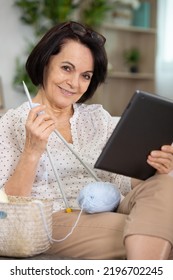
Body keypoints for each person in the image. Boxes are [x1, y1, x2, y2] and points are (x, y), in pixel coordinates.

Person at [1, 21, 173, 260]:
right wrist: (32, 151)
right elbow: (6, 207)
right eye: (66, 68)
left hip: (111, 203)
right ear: (45, 63)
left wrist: (152, 167)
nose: (74, 83)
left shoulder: (97, 118)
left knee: (166, 184)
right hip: (57, 216)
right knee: (154, 232)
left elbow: (119, 181)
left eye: (86, 75)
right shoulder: (11, 123)